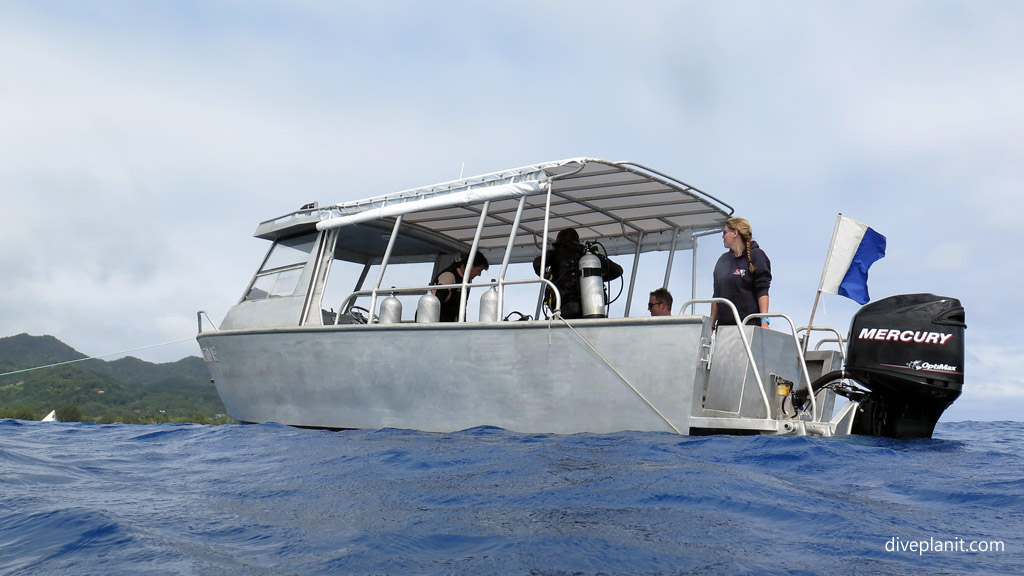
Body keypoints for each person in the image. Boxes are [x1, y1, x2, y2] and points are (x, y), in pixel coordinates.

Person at [533, 228, 623, 319]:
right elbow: (617, 271)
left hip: (564, 305)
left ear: (558, 239)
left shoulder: (556, 252)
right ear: (577, 239)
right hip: (590, 306)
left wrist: (546, 276)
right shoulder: (587, 253)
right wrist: (596, 278)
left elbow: (537, 264)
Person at [711, 217, 771, 329]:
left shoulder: (757, 256)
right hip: (724, 327)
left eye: (724, 232)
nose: (722, 236)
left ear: (735, 233)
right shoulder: (722, 261)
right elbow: (716, 295)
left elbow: (762, 290)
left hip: (749, 325)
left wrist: (764, 321)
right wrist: (711, 326)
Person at [432, 252, 490, 322]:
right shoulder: (449, 276)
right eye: (478, 270)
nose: (479, 274)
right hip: (435, 321)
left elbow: (462, 306)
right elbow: (435, 305)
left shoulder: (467, 280)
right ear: (470, 266)